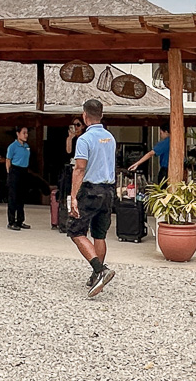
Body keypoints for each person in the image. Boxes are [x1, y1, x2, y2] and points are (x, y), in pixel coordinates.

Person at [68, 98, 117, 298]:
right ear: (102, 115)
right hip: (108, 190)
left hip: (90, 189)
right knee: (100, 234)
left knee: (75, 230)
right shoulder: (110, 138)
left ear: (84, 116)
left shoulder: (84, 140)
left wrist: (73, 197)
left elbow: (80, 168)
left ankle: (99, 269)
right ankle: (95, 276)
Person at [56, 117, 85, 232]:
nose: (76, 127)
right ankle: (66, 221)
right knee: (68, 195)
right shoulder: (72, 139)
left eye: (78, 125)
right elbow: (68, 152)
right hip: (70, 169)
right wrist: (70, 138)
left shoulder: (85, 139)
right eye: (74, 125)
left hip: (81, 169)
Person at [5, 125, 31, 230]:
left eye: (27, 133)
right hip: (15, 170)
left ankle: (20, 220)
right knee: (13, 198)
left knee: (21, 197)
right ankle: (11, 222)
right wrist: (9, 174)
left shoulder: (27, 146)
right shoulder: (12, 146)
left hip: (24, 171)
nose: (26, 135)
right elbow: (8, 160)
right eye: (24, 133)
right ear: (18, 134)